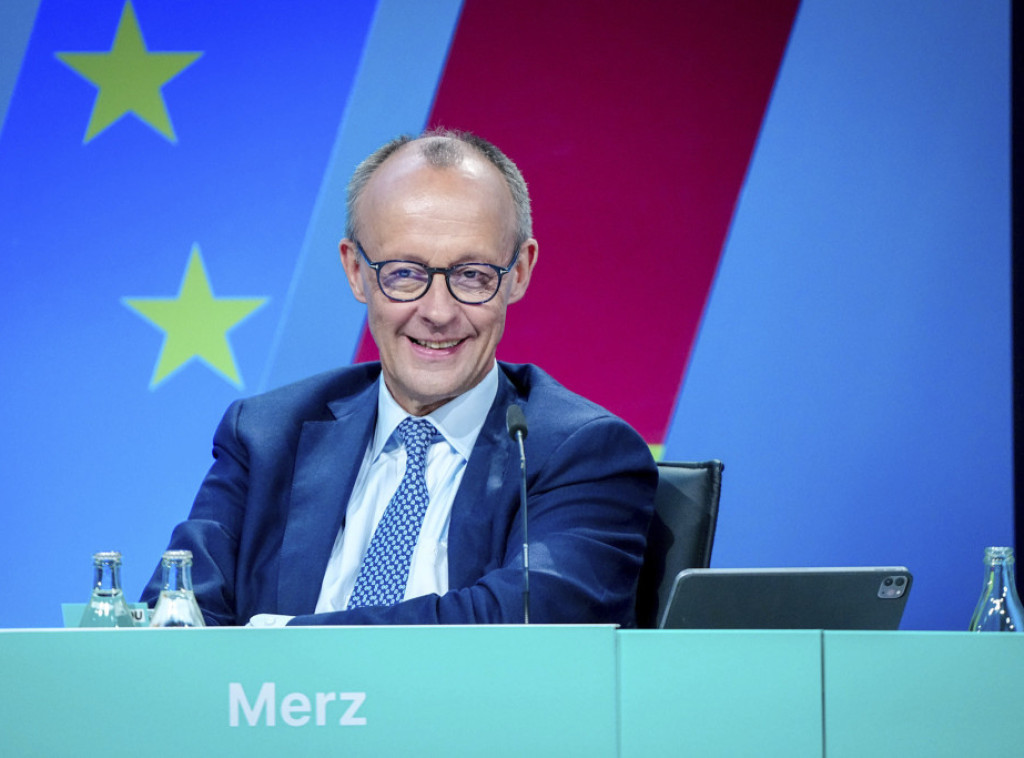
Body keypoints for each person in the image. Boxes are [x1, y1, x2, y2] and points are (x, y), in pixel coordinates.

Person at [142, 129, 657, 626]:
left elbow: (524, 622)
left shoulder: (579, 453)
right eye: (405, 273)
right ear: (356, 271)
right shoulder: (266, 436)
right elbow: (176, 615)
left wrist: (286, 638)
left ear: (518, 273)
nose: (438, 312)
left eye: (472, 275)